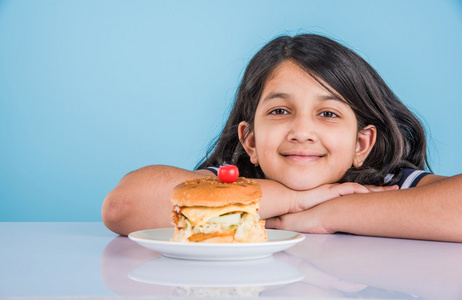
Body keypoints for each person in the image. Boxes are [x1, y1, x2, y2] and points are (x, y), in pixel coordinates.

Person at [102, 34, 462, 242]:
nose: (302, 132)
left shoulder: (386, 186)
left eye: (328, 114)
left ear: (361, 145)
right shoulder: (233, 185)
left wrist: (332, 214)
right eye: (279, 111)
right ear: (251, 142)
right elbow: (124, 207)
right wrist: (292, 201)